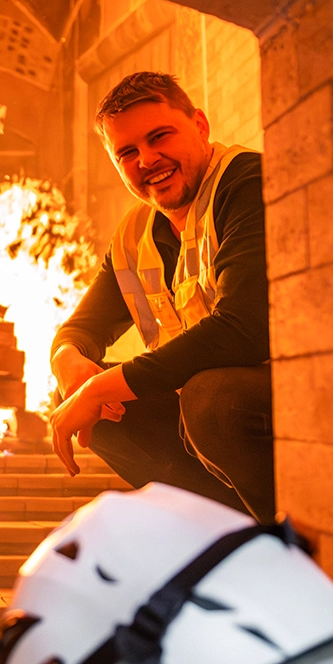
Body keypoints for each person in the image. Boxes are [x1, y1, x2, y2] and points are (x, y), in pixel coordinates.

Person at [49, 72, 273, 522]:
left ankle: (295, 543)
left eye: (160, 137)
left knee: (210, 398)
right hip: (211, 414)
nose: (148, 159)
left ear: (201, 126)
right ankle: (231, 537)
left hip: (284, 399)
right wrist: (68, 363)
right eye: (127, 152)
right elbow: (84, 327)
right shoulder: (135, 235)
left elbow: (245, 328)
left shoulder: (248, 184)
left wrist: (102, 386)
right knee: (98, 409)